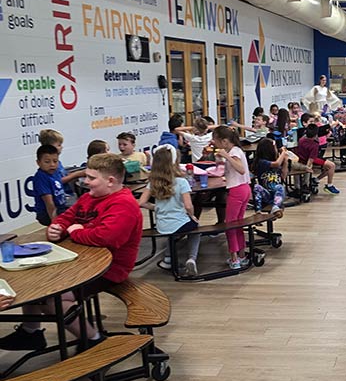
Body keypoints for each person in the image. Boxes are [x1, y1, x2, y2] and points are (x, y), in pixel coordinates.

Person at [0, 153, 143, 352]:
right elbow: (67, 217)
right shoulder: (88, 197)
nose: (85, 182)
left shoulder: (123, 204)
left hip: (109, 269)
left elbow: (106, 237)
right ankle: (31, 332)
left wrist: (75, 231)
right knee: (33, 279)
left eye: (91, 178)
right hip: (81, 260)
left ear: (110, 181)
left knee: (53, 299)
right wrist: (57, 228)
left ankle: (93, 340)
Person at [138, 146, 201, 277]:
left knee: (173, 232)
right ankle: (191, 258)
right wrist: (192, 216)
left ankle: (168, 258)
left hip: (161, 225)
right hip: (179, 223)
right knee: (195, 230)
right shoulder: (182, 182)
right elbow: (188, 206)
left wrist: (156, 207)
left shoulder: (153, 183)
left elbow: (141, 202)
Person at [212, 125, 252, 270]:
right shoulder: (237, 150)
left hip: (237, 190)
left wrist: (226, 156)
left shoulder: (234, 152)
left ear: (224, 141)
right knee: (238, 224)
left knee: (230, 225)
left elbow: (241, 169)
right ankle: (241, 255)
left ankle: (234, 259)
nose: (214, 143)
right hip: (245, 188)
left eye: (215, 140)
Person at [38, 128, 86, 193]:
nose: (61, 147)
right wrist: (77, 174)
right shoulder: (50, 166)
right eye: (59, 145)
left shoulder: (58, 162)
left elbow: (63, 175)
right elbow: (57, 181)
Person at [295, 123, 340, 194]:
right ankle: (329, 185)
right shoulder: (314, 144)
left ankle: (315, 180)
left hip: (302, 158)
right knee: (332, 166)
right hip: (310, 158)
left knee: (329, 168)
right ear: (316, 134)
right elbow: (311, 159)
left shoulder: (301, 139)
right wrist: (307, 168)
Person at [33, 144, 68, 225]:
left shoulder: (55, 172)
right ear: (38, 163)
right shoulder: (41, 177)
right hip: (46, 213)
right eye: (47, 162)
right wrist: (55, 223)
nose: (52, 164)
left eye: (55, 161)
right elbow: (49, 203)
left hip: (60, 207)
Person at [252, 137, 287, 212]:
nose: (276, 150)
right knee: (256, 187)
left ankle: (275, 207)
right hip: (266, 194)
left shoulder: (276, 161)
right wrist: (283, 153)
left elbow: (283, 176)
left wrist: (285, 161)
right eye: (275, 148)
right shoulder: (261, 162)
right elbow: (276, 164)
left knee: (280, 187)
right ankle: (258, 210)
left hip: (277, 194)